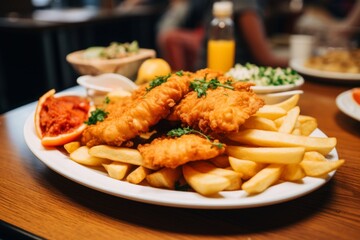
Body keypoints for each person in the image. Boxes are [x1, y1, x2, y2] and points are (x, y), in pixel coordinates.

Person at [157, 0, 289, 72]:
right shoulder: (245, 5)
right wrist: (299, 62)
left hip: (213, 72)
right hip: (230, 76)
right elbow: (266, 59)